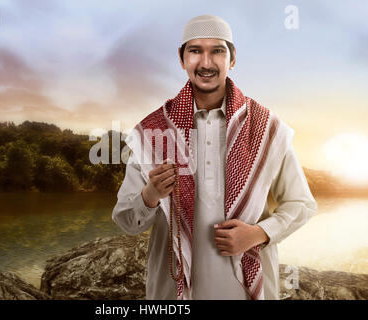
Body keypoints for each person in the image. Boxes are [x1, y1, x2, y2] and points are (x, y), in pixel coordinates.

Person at [111, 14, 317, 300]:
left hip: (245, 290)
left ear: (232, 59)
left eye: (217, 51)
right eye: (195, 50)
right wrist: (150, 194)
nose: (206, 63)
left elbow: (302, 203)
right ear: (181, 59)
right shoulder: (151, 132)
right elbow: (126, 220)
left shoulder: (267, 128)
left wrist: (258, 233)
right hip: (173, 292)